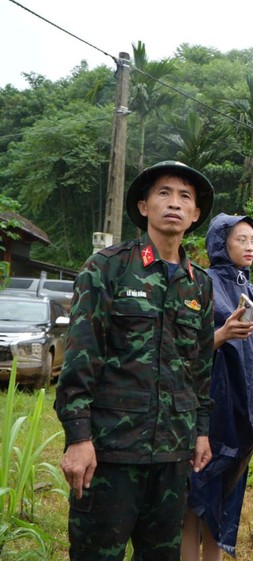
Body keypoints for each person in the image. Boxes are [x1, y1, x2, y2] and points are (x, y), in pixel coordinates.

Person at [54, 160, 215, 561]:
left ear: (195, 215)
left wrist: (201, 431)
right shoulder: (108, 268)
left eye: (185, 197)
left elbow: (200, 366)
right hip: (110, 451)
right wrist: (78, 438)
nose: (174, 203)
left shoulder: (200, 284)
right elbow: (79, 358)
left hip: (172, 454)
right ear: (143, 206)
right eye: (163, 193)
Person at [181, 213, 253, 560]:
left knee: (226, 501)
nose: (249, 246)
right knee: (197, 499)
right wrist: (222, 334)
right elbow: (182, 350)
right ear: (220, 242)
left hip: (244, 415)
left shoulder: (252, 292)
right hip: (210, 410)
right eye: (241, 239)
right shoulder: (201, 283)